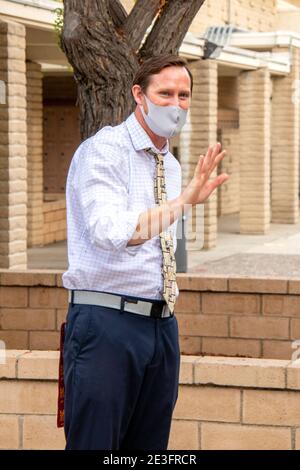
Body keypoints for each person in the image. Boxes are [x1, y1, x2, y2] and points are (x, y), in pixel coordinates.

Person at [61, 54, 229, 450]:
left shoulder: (169, 163)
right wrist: (184, 202)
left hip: (161, 324)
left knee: (150, 448)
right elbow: (111, 232)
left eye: (183, 95)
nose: (176, 104)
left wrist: (182, 201)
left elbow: (161, 243)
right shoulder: (105, 150)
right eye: (165, 93)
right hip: (106, 323)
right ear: (140, 94)